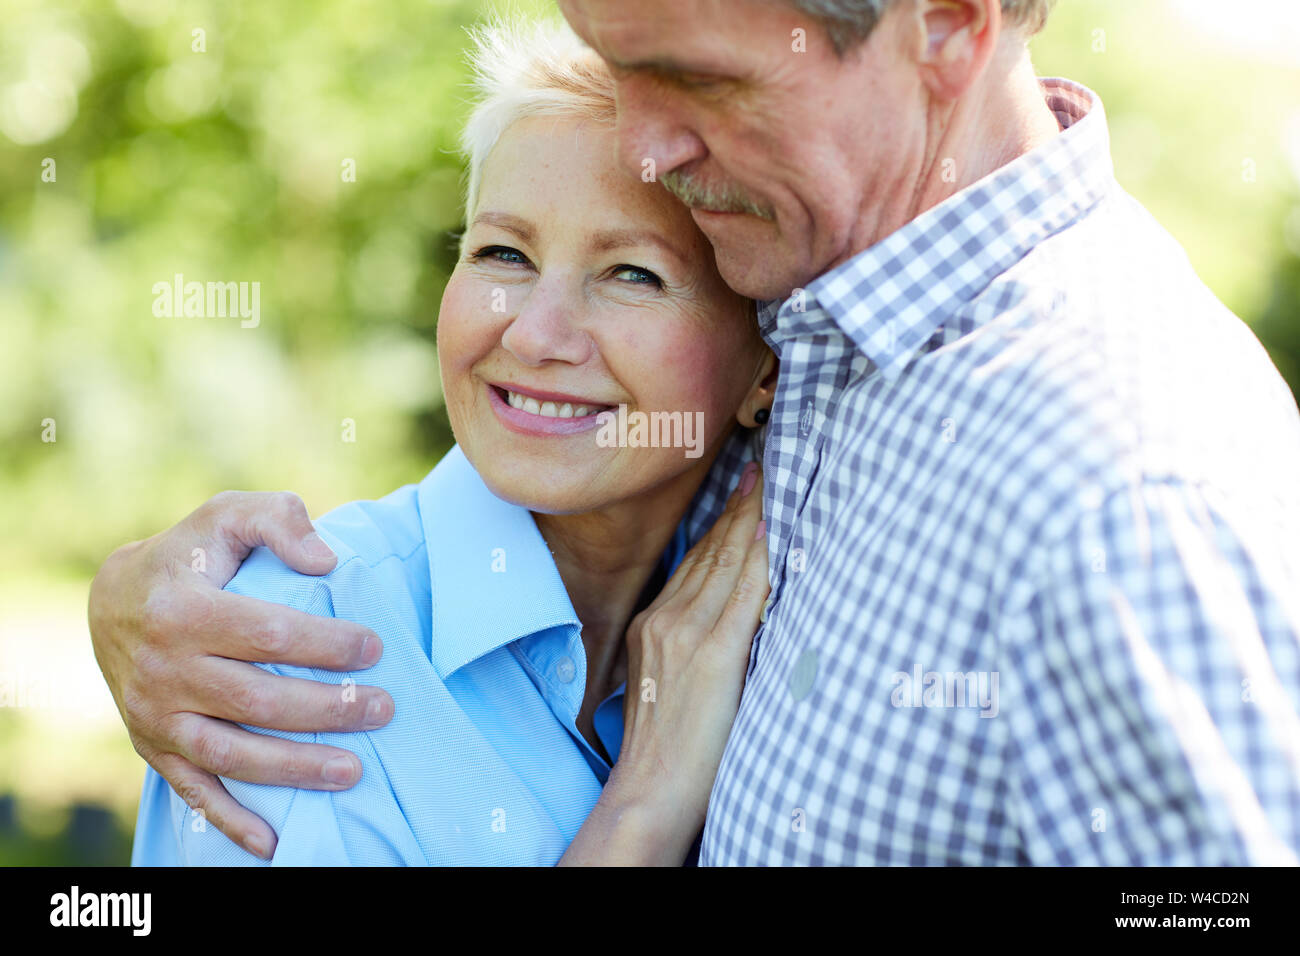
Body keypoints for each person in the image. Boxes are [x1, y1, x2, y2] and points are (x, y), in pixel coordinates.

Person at [95, 0, 1300, 865]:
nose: (650, 144)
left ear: (945, 24)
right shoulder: (817, 298)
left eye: (704, 79)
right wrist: (132, 597)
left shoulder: (1119, 483)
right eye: (623, 73)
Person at [129, 19, 776, 865]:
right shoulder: (291, 648)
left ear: (766, 367)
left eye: (632, 273)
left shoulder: (746, 623)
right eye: (503, 254)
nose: (537, 334)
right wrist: (645, 809)